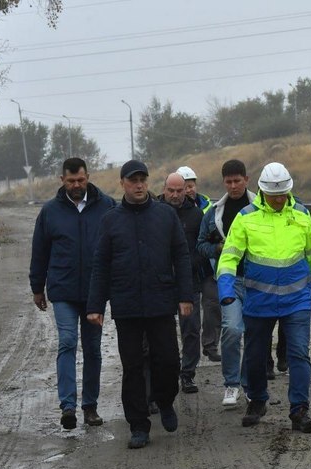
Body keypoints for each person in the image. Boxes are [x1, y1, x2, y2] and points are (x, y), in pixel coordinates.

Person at [86, 160, 194, 449]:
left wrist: (185, 296)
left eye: (142, 180)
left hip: (161, 301)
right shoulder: (111, 220)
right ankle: (138, 425)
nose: (138, 185)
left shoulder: (165, 216)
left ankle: (165, 399)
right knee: (132, 367)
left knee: (168, 360)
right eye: (132, 180)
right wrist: (95, 305)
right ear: (122, 183)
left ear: (148, 183)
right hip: (127, 304)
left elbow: (181, 256)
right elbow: (101, 264)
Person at [217, 162, 311, 433]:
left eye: (282, 194)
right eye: (272, 195)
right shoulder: (245, 218)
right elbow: (229, 256)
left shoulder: (301, 216)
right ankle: (257, 399)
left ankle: (299, 410)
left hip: (297, 301)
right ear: (262, 191)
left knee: (299, 354)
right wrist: (226, 289)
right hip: (259, 302)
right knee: (255, 356)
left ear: (289, 190)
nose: (278, 199)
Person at [29, 157, 116, 430]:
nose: (76, 185)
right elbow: (39, 251)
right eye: (71, 181)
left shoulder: (107, 206)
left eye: (80, 180)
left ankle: (90, 407)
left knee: (92, 348)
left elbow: (118, 246)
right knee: (67, 341)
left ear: (87, 176)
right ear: (62, 180)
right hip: (63, 289)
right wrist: (37, 287)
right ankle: (68, 406)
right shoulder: (50, 211)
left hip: (95, 292)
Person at [196, 159, 255, 407]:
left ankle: (252, 385)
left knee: (255, 334)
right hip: (228, 280)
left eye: (237, 181)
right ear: (224, 182)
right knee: (231, 330)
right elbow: (200, 245)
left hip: (257, 281)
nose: (233, 186)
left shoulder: (259, 207)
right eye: (228, 182)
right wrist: (218, 248)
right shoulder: (214, 212)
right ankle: (232, 384)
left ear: (246, 179)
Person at [159, 172, 209, 394]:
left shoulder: (197, 215)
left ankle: (188, 374)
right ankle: (165, 374)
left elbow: (202, 246)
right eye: (171, 191)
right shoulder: (154, 213)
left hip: (190, 282)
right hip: (161, 283)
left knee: (191, 330)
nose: (176, 195)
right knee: (162, 332)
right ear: (164, 189)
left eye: (180, 191)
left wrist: (188, 265)